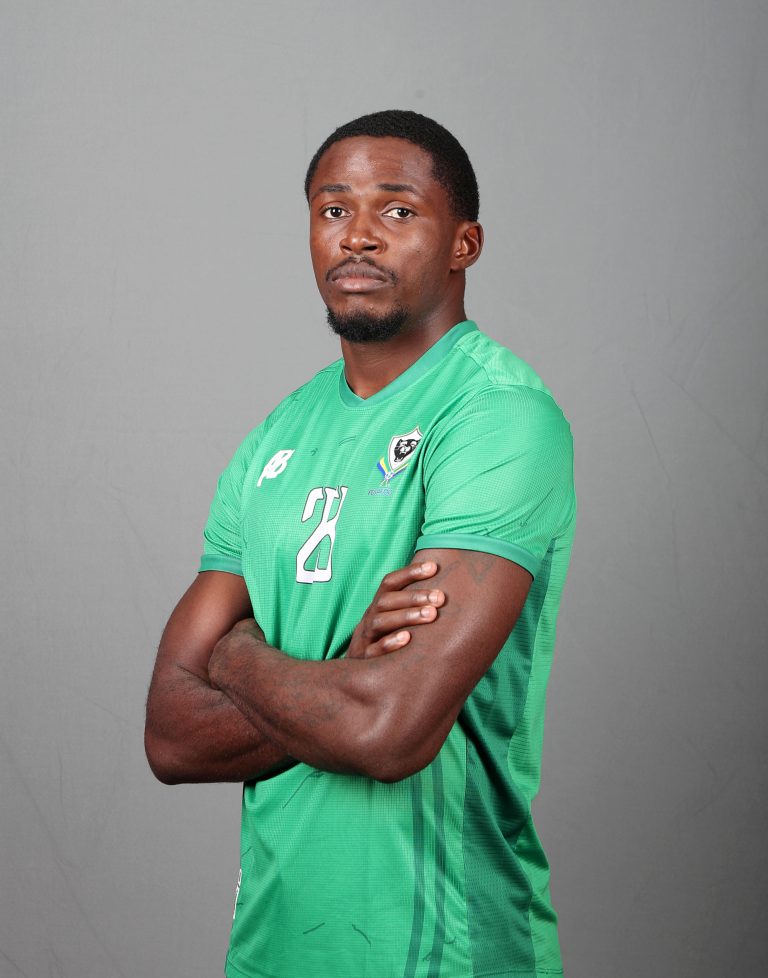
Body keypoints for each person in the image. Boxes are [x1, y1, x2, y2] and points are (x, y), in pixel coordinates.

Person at [145, 109, 576, 978]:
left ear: (465, 243)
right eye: (333, 210)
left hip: (447, 944)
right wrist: (349, 663)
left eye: (399, 211)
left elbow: (388, 729)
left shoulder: (497, 417)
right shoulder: (275, 437)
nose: (360, 236)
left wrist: (233, 660)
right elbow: (170, 736)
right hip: (274, 948)